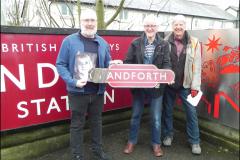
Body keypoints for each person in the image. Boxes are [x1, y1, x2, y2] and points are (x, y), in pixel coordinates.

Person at [56, 9, 117, 160]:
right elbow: (60, 64)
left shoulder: (103, 42)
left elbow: (107, 62)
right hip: (78, 92)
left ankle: (97, 151)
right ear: (81, 22)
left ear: (96, 22)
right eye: (86, 20)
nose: (89, 23)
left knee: (96, 123)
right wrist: (73, 81)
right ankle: (77, 155)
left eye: (92, 20)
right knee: (77, 125)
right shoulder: (69, 41)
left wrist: (113, 64)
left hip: (98, 91)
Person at [123, 14, 171, 157]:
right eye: (147, 26)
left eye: (153, 26)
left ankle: (156, 144)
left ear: (157, 28)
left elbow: (167, 63)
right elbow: (128, 62)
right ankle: (131, 142)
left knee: (156, 117)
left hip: (156, 87)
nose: (150, 28)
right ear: (144, 27)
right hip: (138, 87)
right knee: (135, 115)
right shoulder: (135, 43)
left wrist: (167, 73)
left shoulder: (164, 44)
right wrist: (124, 67)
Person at [162, 15, 202, 154]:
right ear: (172, 26)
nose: (178, 27)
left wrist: (195, 87)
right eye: (176, 24)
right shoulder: (165, 41)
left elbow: (197, 67)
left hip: (186, 85)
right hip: (170, 85)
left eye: (181, 24)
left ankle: (195, 141)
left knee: (191, 113)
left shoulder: (194, 42)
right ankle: (168, 135)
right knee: (167, 111)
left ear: (185, 26)